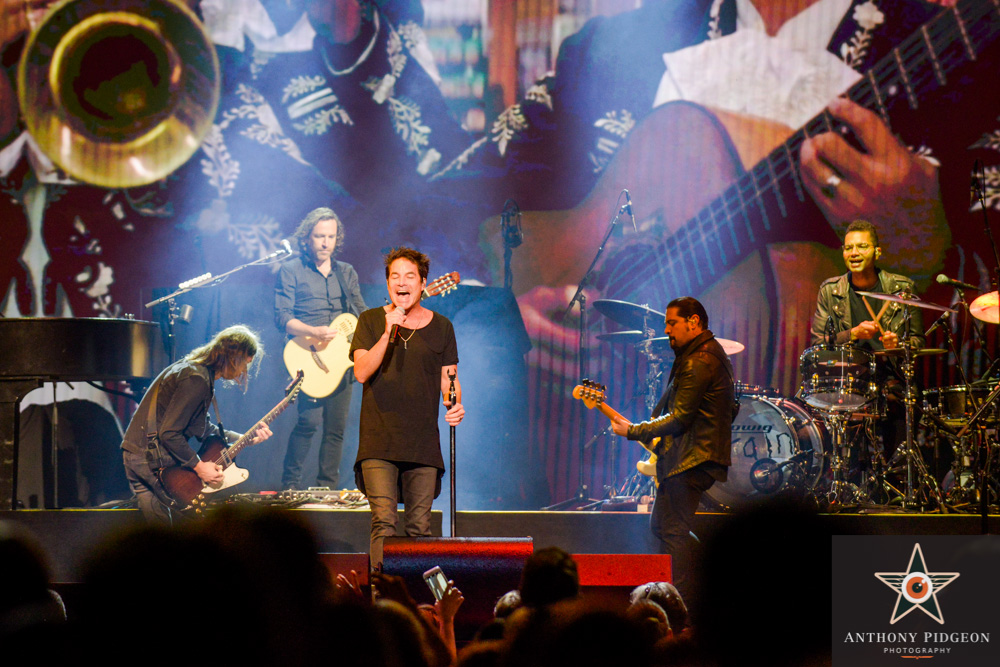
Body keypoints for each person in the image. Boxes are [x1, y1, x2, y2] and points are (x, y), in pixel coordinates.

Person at [611, 297, 734, 605]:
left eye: (671, 323)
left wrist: (634, 431)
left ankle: (685, 602)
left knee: (672, 531)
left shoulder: (698, 360)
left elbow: (680, 417)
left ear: (693, 322)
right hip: (693, 455)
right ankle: (701, 577)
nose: (666, 330)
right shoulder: (702, 354)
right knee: (664, 527)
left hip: (692, 459)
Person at [350, 247, 465, 569]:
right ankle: (380, 601)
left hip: (422, 442)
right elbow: (361, 372)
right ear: (388, 284)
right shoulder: (371, 320)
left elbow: (450, 378)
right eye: (395, 277)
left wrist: (454, 404)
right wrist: (389, 331)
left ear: (423, 282)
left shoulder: (442, 327)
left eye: (409, 276)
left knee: (419, 529)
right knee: (384, 523)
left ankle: (418, 605)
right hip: (378, 441)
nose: (402, 282)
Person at [120, 324, 273, 523]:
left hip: (136, 454)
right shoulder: (196, 379)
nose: (245, 369)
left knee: (161, 530)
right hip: (149, 459)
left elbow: (203, 429)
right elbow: (169, 433)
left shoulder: (195, 372)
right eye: (244, 362)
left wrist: (245, 439)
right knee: (189, 522)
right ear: (231, 356)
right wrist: (199, 466)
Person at [275, 207, 367, 490]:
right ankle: (290, 484)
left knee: (336, 430)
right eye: (319, 236)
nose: (325, 242)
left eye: (330, 236)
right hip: (308, 354)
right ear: (307, 238)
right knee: (308, 423)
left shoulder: (346, 272)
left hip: (341, 362)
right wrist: (313, 331)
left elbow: (361, 313)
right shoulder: (291, 270)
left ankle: (327, 488)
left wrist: (391, 315)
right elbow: (282, 318)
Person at [811, 219, 925, 351]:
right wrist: (852, 334)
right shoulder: (829, 291)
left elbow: (919, 341)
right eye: (848, 248)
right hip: (848, 369)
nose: (854, 253)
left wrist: (898, 344)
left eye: (862, 246)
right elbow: (817, 343)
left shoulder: (904, 288)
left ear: (877, 252)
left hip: (890, 370)